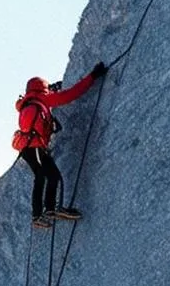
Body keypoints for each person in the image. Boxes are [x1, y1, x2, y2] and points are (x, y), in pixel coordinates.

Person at [12, 62, 107, 228]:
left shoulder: (27, 103)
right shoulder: (43, 99)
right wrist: (93, 76)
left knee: (50, 175)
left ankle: (48, 210)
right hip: (35, 146)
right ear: (43, 89)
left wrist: (52, 90)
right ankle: (40, 214)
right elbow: (70, 94)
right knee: (43, 175)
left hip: (28, 146)